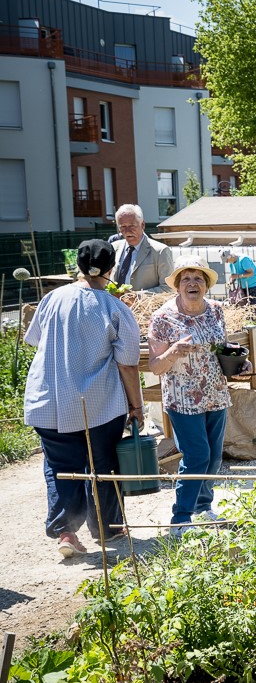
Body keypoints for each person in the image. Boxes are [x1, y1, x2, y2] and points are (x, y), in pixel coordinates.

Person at [24, 239, 144, 558]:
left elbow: (33, 339)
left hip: (47, 399)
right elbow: (128, 364)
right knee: (102, 464)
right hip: (98, 403)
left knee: (60, 466)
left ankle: (66, 532)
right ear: (111, 269)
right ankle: (109, 530)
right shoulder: (116, 308)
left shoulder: (51, 299)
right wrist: (136, 406)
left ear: (77, 265)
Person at [147, 257, 235, 534]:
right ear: (177, 286)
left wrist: (238, 362)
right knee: (197, 455)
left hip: (215, 391)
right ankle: (180, 519)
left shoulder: (216, 311)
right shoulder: (163, 318)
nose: (192, 283)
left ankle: (203, 507)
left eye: (198, 278)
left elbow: (221, 347)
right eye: (186, 278)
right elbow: (155, 366)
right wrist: (172, 351)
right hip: (182, 397)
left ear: (207, 285)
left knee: (213, 457)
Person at [112, 203, 174, 293]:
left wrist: (137, 296)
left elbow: (168, 288)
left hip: (145, 305)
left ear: (143, 225)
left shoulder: (160, 251)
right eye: (123, 227)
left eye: (132, 226)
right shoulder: (113, 248)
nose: (128, 231)